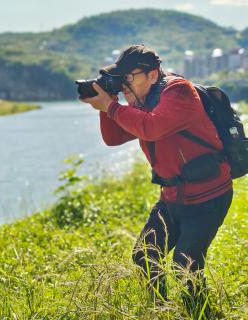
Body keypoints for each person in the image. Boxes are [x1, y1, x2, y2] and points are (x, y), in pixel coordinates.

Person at [80, 44, 233, 318]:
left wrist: (112, 106)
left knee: (184, 264)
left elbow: (152, 128)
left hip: (208, 194)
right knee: (144, 255)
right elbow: (114, 137)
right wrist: (107, 106)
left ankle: (201, 314)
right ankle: (160, 311)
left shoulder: (178, 92)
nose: (125, 82)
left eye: (130, 76)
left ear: (153, 74)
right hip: (173, 197)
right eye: (121, 77)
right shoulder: (141, 101)